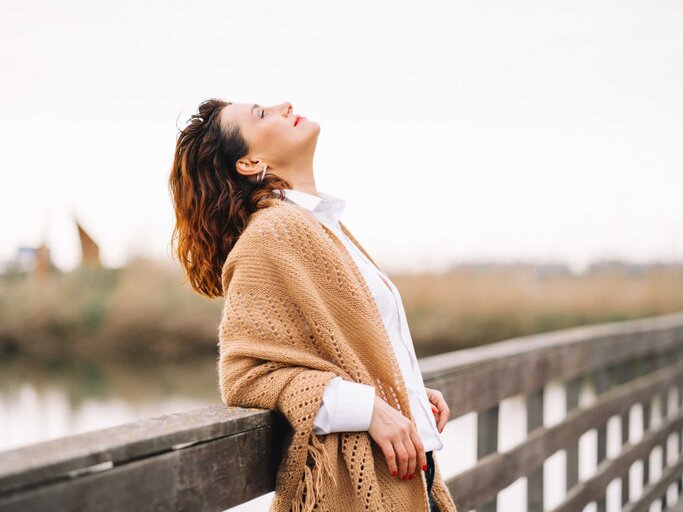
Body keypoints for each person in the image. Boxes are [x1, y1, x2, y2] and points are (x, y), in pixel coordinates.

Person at [168, 99, 458, 512]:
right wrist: (368, 408)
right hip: (368, 490)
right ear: (249, 162)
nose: (283, 105)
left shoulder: (320, 225)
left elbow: (337, 345)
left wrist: (402, 389)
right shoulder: (269, 235)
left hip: (413, 476)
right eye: (262, 114)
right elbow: (245, 377)